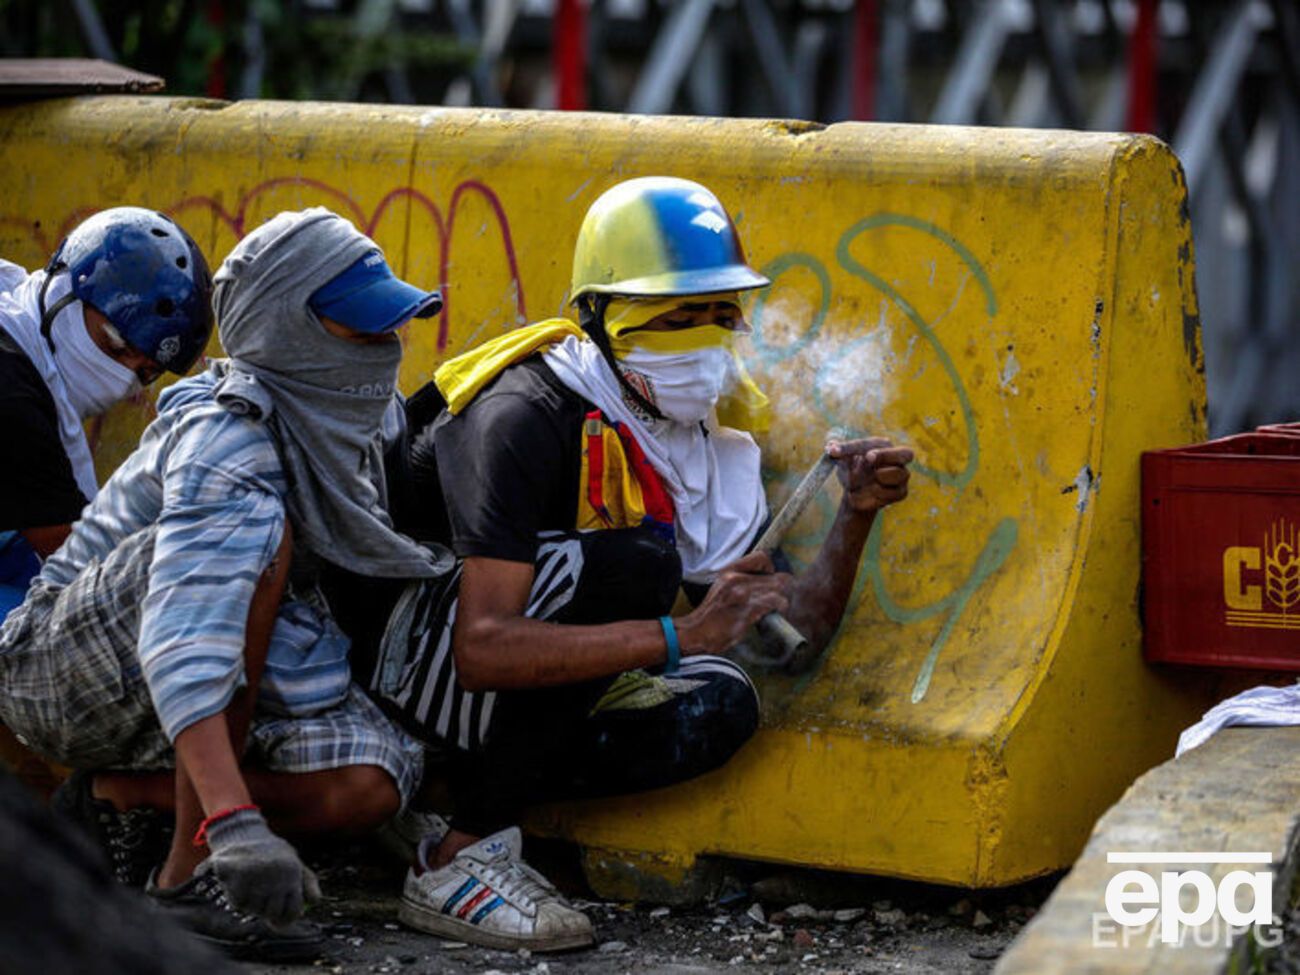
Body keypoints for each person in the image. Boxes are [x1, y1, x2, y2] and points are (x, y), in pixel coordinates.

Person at [332, 177, 914, 952]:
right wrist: (680, 633)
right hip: (393, 669)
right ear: (606, 319)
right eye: (678, 318)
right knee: (636, 565)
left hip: (491, 681)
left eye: (720, 316)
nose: (707, 340)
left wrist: (856, 514)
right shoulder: (523, 413)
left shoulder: (707, 433)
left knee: (722, 701)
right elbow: (482, 648)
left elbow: (785, 635)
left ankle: (433, 801)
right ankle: (457, 854)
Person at [0, 208, 451, 961]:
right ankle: (189, 869)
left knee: (369, 785)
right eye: (360, 331)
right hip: (50, 666)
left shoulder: (334, 425)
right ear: (284, 331)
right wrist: (236, 820)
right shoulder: (230, 436)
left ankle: (118, 796)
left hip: (171, 649)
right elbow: (186, 632)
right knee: (256, 540)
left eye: (388, 329)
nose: (384, 350)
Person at [0, 208, 214, 619]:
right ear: (64, 290)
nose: (119, 380)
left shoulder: (16, 312)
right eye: (116, 345)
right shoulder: (14, 404)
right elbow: (88, 576)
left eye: (145, 372)